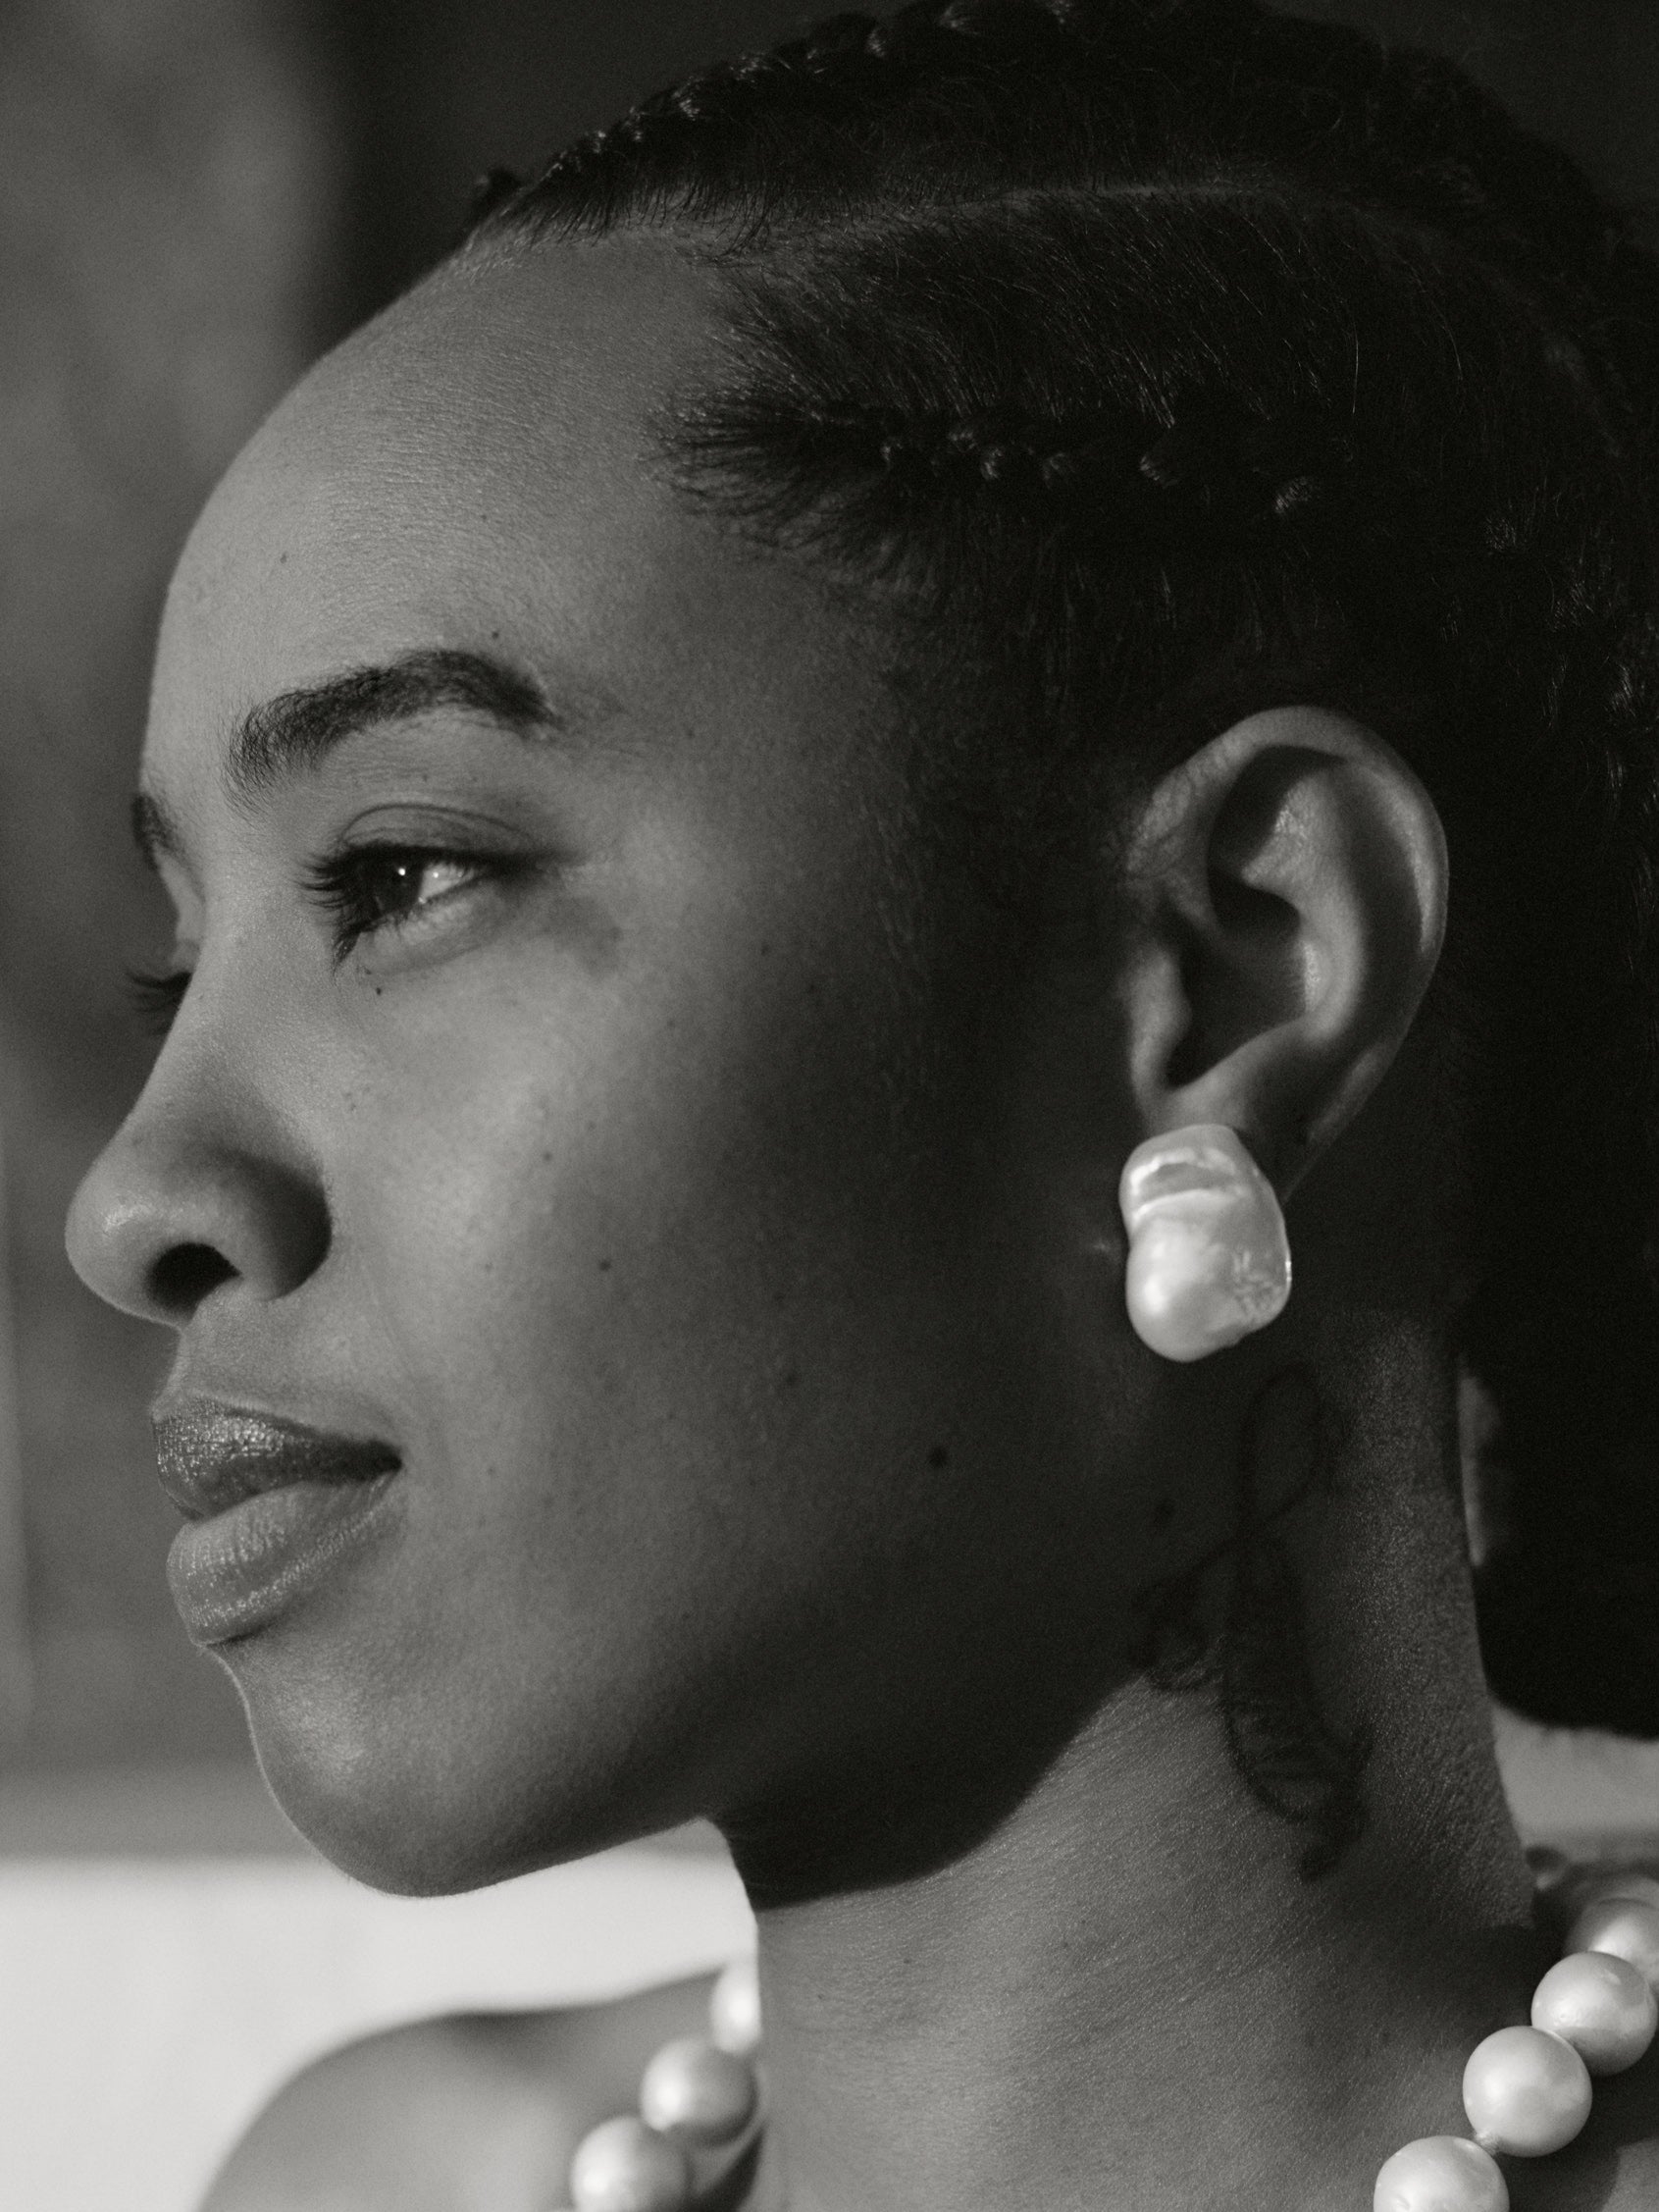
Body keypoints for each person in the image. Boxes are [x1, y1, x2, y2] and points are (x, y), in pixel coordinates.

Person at [64, 0, 1659, 2205]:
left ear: (1232, 961)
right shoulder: (380, 2175)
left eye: (405, 875)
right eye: (180, 953)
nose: (142, 1192)